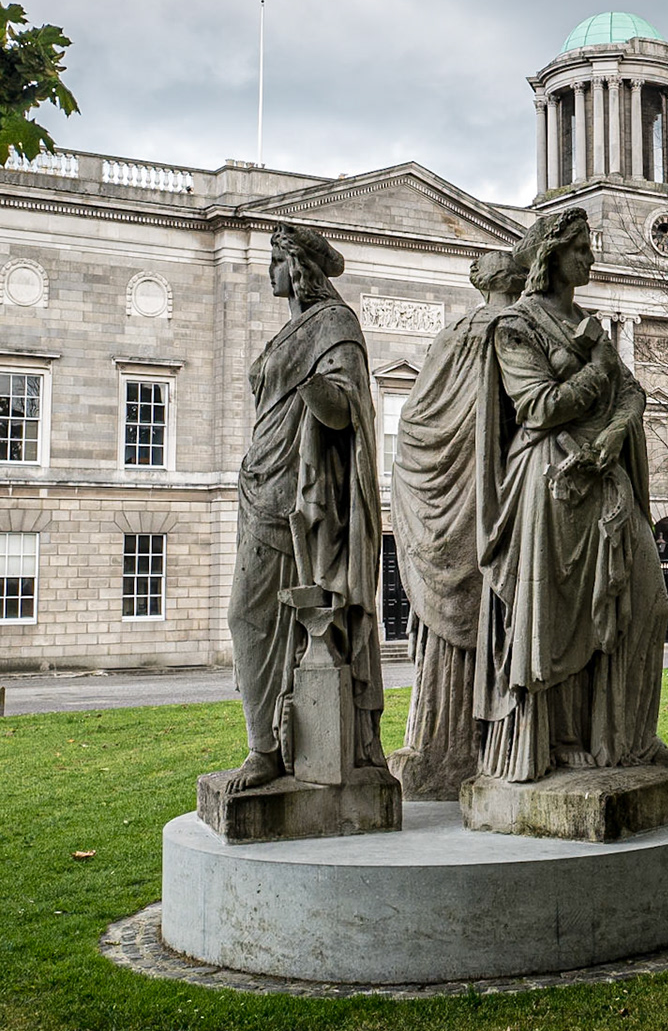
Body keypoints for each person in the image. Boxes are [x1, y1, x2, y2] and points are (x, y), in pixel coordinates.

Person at [472, 207, 668, 782]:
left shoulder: (589, 322)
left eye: (590, 248)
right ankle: (561, 742)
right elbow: (537, 408)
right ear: (551, 255)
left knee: (648, 603)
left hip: (603, 472)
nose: (590, 258)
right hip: (553, 480)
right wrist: (594, 367)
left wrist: (618, 430)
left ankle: (631, 738)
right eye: (581, 250)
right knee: (561, 621)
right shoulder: (516, 325)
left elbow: (634, 393)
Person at [221, 223, 387, 793]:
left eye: (274, 261)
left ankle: (272, 750)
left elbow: (345, 411)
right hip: (261, 482)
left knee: (255, 615)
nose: (268, 271)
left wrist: (315, 387)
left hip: (302, 492)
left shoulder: (334, 324)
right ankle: (273, 747)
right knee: (261, 618)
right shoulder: (293, 329)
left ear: (297, 267)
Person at [389, 249, 527, 798]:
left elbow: (416, 420)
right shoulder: (519, 330)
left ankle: (439, 743)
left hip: (447, 498)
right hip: (503, 496)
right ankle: (495, 738)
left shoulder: (451, 336)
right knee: (504, 612)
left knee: (457, 629)